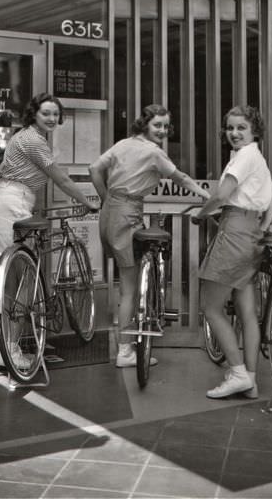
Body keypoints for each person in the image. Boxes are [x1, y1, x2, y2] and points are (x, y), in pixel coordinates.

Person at [89, 104, 210, 368]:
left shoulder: (122, 144)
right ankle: (125, 351)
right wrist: (208, 196)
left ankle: (127, 344)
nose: (163, 131)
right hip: (129, 211)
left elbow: (94, 169)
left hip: (110, 212)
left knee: (126, 283)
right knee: (130, 290)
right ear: (145, 124)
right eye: (158, 125)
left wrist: (105, 198)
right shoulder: (154, 153)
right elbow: (180, 178)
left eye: (166, 126)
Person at [0, 93, 96, 367]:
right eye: (46, 112)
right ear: (34, 113)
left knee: (15, 279)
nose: (51, 118)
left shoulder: (24, 136)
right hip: (13, 204)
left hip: (10, 202)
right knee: (23, 280)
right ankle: (8, 349)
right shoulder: (34, 140)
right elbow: (60, 178)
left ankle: (14, 341)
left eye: (55, 114)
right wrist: (87, 201)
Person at [193, 106, 272, 399]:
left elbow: (221, 195)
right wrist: (263, 227)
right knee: (246, 312)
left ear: (254, 130)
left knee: (211, 307)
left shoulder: (244, 157)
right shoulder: (258, 158)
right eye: (230, 128)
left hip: (235, 229)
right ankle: (250, 380)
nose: (234, 133)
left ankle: (238, 373)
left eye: (241, 127)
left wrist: (201, 215)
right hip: (251, 233)